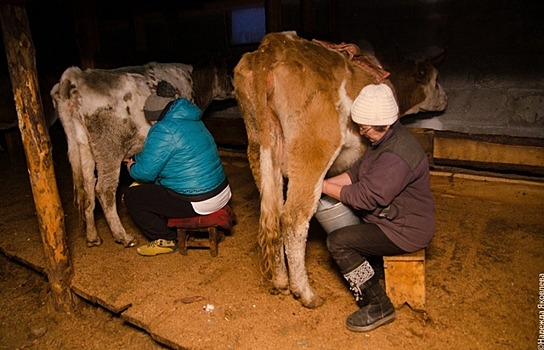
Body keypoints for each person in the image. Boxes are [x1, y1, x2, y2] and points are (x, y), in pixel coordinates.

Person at [321, 83, 435, 332]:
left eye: (365, 127)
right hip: (391, 219)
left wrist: (319, 189)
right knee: (345, 220)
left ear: (383, 125)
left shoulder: (396, 155)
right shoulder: (383, 142)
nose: (361, 132)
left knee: (338, 242)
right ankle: (370, 271)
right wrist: (323, 182)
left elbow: (365, 197)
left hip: (405, 230)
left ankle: (379, 305)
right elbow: (354, 174)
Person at [123, 81, 231, 256]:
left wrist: (131, 166)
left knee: (132, 197)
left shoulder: (163, 129)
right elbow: (157, 155)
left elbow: (144, 173)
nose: (151, 123)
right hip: (221, 192)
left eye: (151, 119)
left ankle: (165, 239)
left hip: (199, 201)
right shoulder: (193, 120)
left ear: (155, 116)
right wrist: (137, 158)